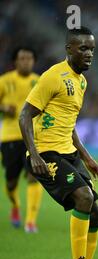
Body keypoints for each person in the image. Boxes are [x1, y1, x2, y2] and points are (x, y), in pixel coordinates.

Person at [19, 27, 98, 259]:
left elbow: (68, 124)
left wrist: (88, 159)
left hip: (68, 153)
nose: (89, 54)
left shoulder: (81, 81)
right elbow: (25, 115)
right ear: (69, 49)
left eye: (92, 49)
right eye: (83, 48)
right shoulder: (53, 76)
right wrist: (34, 154)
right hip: (47, 153)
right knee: (83, 197)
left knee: (95, 212)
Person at [0, 47, 43, 232]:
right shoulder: (4, 80)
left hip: (33, 136)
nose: (26, 62)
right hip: (10, 136)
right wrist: (2, 107)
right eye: (22, 58)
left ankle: (31, 221)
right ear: (15, 61)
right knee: (11, 181)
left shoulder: (40, 80)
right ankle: (16, 205)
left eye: (29, 58)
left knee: (35, 175)